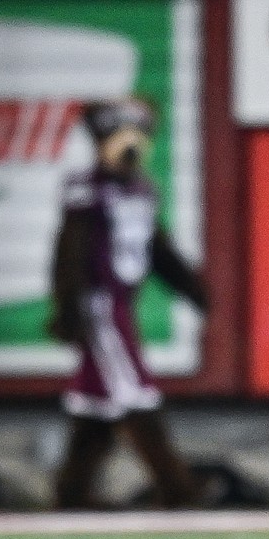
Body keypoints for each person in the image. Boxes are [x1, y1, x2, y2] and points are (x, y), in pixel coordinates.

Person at [48, 97, 208, 510]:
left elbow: (158, 249)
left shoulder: (142, 191)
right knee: (135, 395)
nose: (130, 146)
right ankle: (178, 491)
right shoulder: (86, 191)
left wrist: (193, 290)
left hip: (123, 306)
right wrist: (68, 309)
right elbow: (69, 254)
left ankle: (71, 492)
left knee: (97, 407)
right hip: (98, 307)